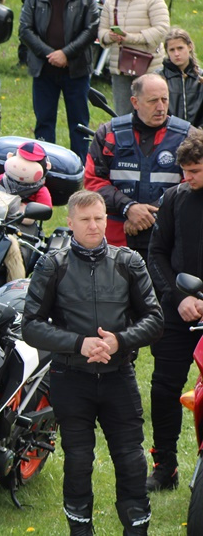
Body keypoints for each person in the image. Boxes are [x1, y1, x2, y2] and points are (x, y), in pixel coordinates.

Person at [22, 189, 162, 536]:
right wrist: (79, 344)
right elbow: (31, 326)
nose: (94, 226)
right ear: (70, 223)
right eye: (85, 220)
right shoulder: (52, 265)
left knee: (131, 458)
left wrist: (119, 341)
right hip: (71, 376)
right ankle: (80, 530)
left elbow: (155, 319)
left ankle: (136, 529)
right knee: (78, 460)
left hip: (119, 375)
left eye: (99, 218)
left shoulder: (129, 262)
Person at [146, 127, 203, 495]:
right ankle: (165, 465)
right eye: (184, 171)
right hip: (178, 310)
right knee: (164, 387)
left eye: (195, 171)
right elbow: (156, 254)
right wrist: (179, 297)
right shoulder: (174, 199)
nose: (187, 178)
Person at [85, 73, 188, 262]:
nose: (160, 107)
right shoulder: (108, 135)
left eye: (164, 100)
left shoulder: (187, 137)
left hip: (170, 239)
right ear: (135, 102)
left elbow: (193, 184)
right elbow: (93, 182)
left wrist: (148, 215)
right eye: (153, 101)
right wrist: (128, 207)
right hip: (116, 239)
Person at [18, 0, 100, 162]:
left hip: (76, 70)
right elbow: (25, 30)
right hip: (43, 70)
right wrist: (50, 54)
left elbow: (91, 31)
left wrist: (66, 54)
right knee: (44, 120)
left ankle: (80, 164)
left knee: (79, 122)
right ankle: (43, 163)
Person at [98, 0, 170, 116]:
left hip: (149, 68)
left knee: (150, 114)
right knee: (122, 116)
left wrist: (131, 38)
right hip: (120, 68)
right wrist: (109, 37)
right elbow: (102, 31)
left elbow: (162, 30)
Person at [161, 28, 203, 126]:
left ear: (189, 47)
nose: (176, 54)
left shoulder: (200, 77)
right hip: (168, 132)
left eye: (180, 48)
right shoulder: (159, 77)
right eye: (172, 50)